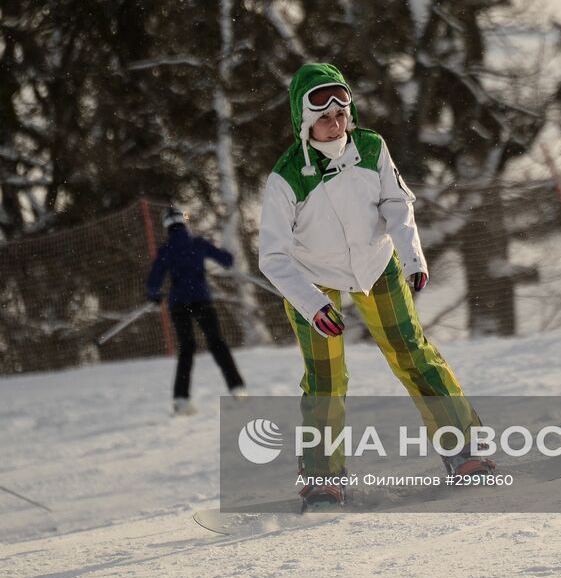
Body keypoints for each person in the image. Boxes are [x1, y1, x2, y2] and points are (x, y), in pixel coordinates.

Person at [257, 63, 490, 511]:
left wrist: (412, 255)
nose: (335, 121)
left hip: (375, 264)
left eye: (341, 110)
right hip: (314, 280)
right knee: (326, 377)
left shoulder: (371, 148)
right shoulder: (285, 178)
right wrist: (310, 305)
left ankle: (465, 449)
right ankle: (322, 477)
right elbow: (273, 256)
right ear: (304, 119)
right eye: (322, 114)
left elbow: (396, 202)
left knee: (411, 351)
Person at [146, 207, 248, 415]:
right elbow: (226, 260)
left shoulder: (166, 250)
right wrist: (228, 258)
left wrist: (155, 294)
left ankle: (181, 399)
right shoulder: (197, 243)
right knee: (217, 342)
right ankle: (237, 388)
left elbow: (154, 280)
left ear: (166, 226)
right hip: (201, 299)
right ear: (184, 223)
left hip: (178, 304)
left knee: (187, 348)